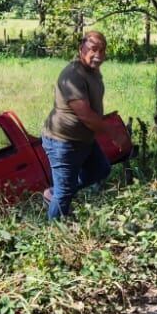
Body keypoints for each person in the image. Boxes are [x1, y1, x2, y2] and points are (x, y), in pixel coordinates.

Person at [42, 31, 113, 219]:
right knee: (64, 194)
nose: (99, 55)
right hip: (62, 142)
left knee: (101, 169)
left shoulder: (93, 71)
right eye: (93, 49)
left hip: (83, 140)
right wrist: (114, 134)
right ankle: (54, 237)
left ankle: (55, 192)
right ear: (81, 48)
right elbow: (87, 116)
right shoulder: (72, 76)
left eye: (102, 50)